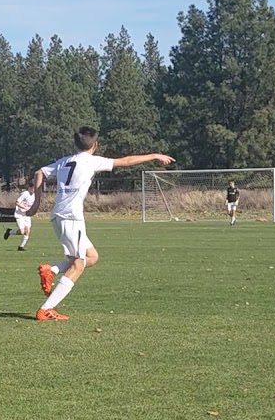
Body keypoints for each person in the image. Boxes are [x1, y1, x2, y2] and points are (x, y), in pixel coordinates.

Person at [27, 126, 173, 321]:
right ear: (95, 145)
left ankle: (51, 270)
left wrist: (36, 202)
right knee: (78, 265)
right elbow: (127, 161)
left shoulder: (65, 162)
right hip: (71, 217)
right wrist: (155, 155)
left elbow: (39, 173)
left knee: (92, 257)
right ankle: (46, 309)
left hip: (58, 216)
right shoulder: (91, 161)